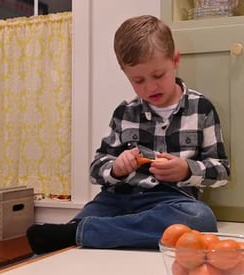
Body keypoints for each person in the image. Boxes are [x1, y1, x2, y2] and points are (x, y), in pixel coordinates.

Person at [26, 15, 230, 255]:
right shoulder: (125, 112)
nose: (150, 87)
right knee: (50, 247)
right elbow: (96, 168)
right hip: (116, 200)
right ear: (125, 73)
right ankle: (86, 232)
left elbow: (222, 171)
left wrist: (186, 170)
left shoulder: (201, 108)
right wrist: (116, 168)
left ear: (175, 61)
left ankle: (84, 233)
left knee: (201, 219)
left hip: (171, 201)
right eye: (138, 80)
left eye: (158, 75)